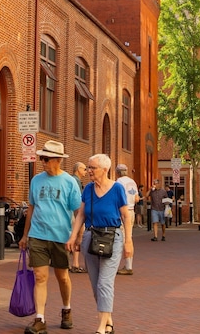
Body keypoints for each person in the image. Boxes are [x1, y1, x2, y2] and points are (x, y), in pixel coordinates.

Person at [19, 140, 82, 334]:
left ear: (57, 160)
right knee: (40, 276)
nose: (42, 162)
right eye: (41, 158)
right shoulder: (36, 180)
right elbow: (31, 208)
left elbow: (79, 211)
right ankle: (40, 319)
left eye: (46, 159)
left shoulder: (70, 182)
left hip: (61, 237)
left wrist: (76, 236)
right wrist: (25, 235)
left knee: (62, 276)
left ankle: (66, 309)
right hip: (38, 235)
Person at [68, 154, 133, 334]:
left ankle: (101, 328)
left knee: (105, 283)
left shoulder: (117, 189)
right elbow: (81, 214)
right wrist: (74, 237)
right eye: (88, 167)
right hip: (91, 236)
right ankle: (109, 321)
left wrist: (128, 241)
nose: (89, 171)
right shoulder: (88, 189)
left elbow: (126, 216)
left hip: (112, 237)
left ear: (105, 170)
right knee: (96, 283)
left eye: (92, 168)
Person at [114, 164, 138, 276]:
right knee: (129, 237)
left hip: (123, 211)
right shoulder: (132, 182)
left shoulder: (119, 182)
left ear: (117, 172)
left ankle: (120, 265)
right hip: (132, 210)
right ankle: (129, 265)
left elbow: (116, 198)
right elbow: (137, 198)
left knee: (121, 238)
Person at [70, 162, 88, 274]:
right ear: (78, 169)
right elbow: (77, 201)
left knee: (75, 237)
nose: (86, 171)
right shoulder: (75, 181)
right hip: (75, 213)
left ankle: (74, 263)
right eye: (84, 169)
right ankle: (75, 263)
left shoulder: (75, 180)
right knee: (78, 237)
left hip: (74, 213)